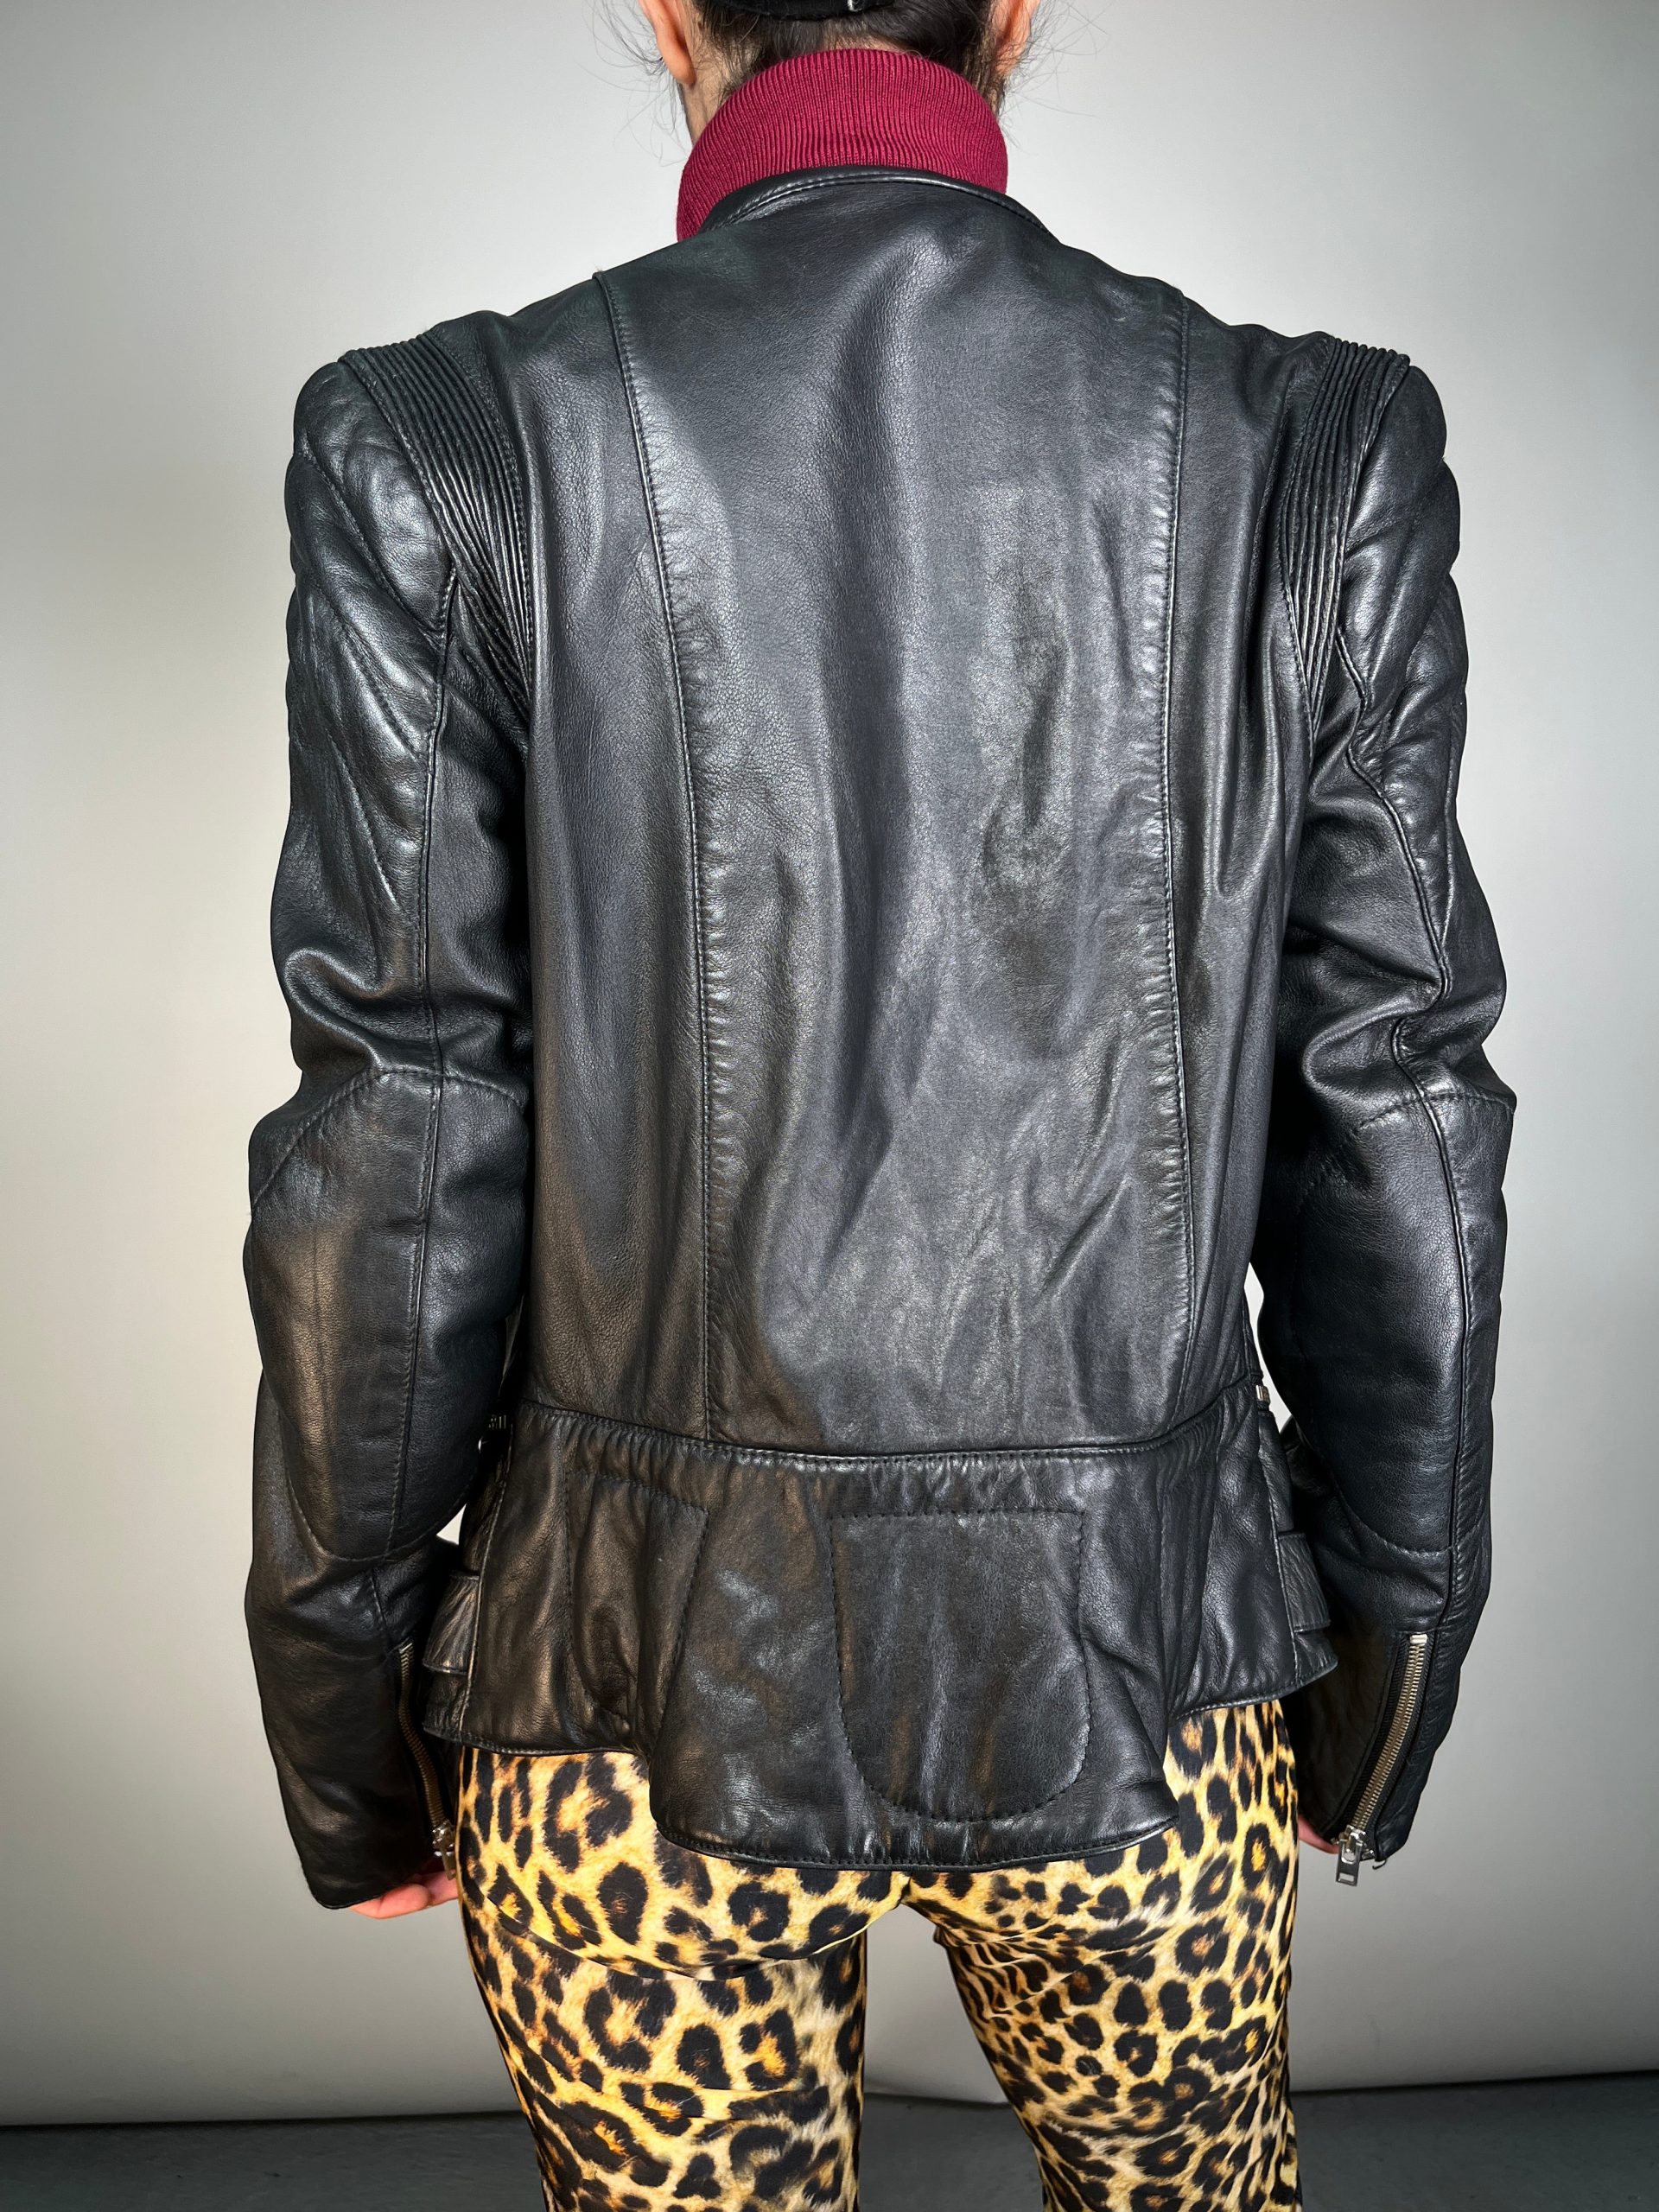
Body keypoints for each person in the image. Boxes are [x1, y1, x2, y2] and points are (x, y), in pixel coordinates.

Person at [243, 0, 1513, 2203]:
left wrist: (347, 1710)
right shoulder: (1314, 445)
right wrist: (1379, 1670)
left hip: (627, 1693)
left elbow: (400, 1143)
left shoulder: (442, 446)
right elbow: (1394, 1112)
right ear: (1011, 11)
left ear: (669, 11)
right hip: (1142, 1669)